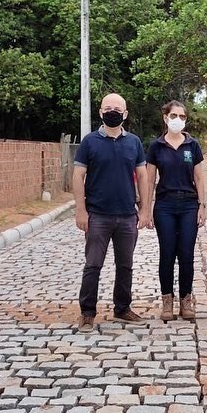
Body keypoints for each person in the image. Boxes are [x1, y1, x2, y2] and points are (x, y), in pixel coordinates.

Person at [73, 93, 150, 332]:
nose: (112, 111)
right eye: (108, 108)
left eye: (117, 108)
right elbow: (78, 176)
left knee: (125, 265)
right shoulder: (89, 142)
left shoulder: (134, 143)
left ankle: (122, 308)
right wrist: (81, 210)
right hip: (98, 215)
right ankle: (87, 312)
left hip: (127, 215)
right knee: (93, 265)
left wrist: (145, 209)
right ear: (100, 112)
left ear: (125, 114)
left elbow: (143, 176)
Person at [145, 100, 206, 321]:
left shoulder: (193, 145)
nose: (178, 120)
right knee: (167, 253)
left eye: (182, 116)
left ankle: (186, 300)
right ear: (165, 118)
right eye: (174, 116)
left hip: (189, 204)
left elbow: (199, 177)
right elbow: (150, 180)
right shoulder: (156, 146)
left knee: (187, 254)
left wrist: (202, 205)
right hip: (165, 206)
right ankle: (167, 301)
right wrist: (147, 208)